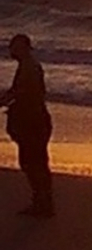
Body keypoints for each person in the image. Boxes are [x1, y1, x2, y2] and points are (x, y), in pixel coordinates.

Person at [1, 34, 54, 218]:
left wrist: (7, 100)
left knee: (32, 163)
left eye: (14, 47)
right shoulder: (28, 66)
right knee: (36, 162)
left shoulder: (29, 67)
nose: (11, 50)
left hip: (34, 122)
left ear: (24, 47)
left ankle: (43, 203)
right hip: (36, 121)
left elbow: (23, 92)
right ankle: (43, 201)